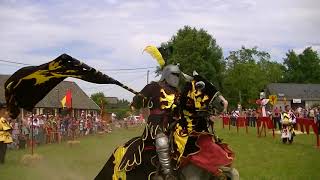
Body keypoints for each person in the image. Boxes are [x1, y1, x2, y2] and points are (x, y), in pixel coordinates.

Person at [131, 64, 181, 179]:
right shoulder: (153, 87)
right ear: (166, 75)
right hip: (156, 124)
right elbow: (138, 103)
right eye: (174, 74)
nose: (176, 77)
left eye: (178, 75)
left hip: (174, 123)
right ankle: (168, 174)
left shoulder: (177, 92)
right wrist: (139, 98)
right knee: (162, 142)